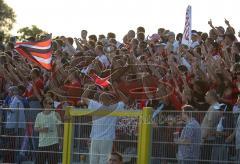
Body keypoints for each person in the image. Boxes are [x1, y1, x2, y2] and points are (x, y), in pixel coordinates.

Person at [81, 85, 125, 164]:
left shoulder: (96, 105)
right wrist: (116, 89)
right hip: (105, 139)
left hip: (97, 139)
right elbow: (125, 100)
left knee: (94, 160)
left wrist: (89, 88)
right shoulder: (115, 107)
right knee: (103, 160)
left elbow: (83, 97)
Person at [34, 96, 62, 164]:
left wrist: (61, 142)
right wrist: (43, 129)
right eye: (50, 103)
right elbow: (35, 128)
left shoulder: (56, 114)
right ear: (44, 104)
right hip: (42, 143)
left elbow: (60, 129)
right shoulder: (39, 115)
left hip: (53, 143)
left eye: (52, 103)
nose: (52, 105)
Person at [2, 86, 26, 163]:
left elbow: (12, 110)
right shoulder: (13, 99)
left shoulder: (16, 99)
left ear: (13, 92)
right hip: (12, 125)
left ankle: (10, 161)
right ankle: (9, 160)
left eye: (9, 91)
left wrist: (4, 107)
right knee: (10, 143)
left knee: (11, 144)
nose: (8, 93)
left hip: (15, 126)